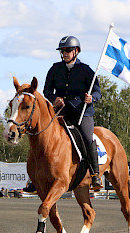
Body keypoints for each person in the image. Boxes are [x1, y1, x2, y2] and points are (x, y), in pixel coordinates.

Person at [43, 35, 103, 191]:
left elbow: (98, 92)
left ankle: (95, 174)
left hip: (82, 112)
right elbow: (46, 90)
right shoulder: (55, 69)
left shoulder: (86, 70)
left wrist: (92, 98)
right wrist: (54, 98)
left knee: (87, 137)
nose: (65, 54)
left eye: (68, 50)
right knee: (44, 136)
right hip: (62, 111)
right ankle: (34, 177)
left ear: (76, 51)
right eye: (63, 51)